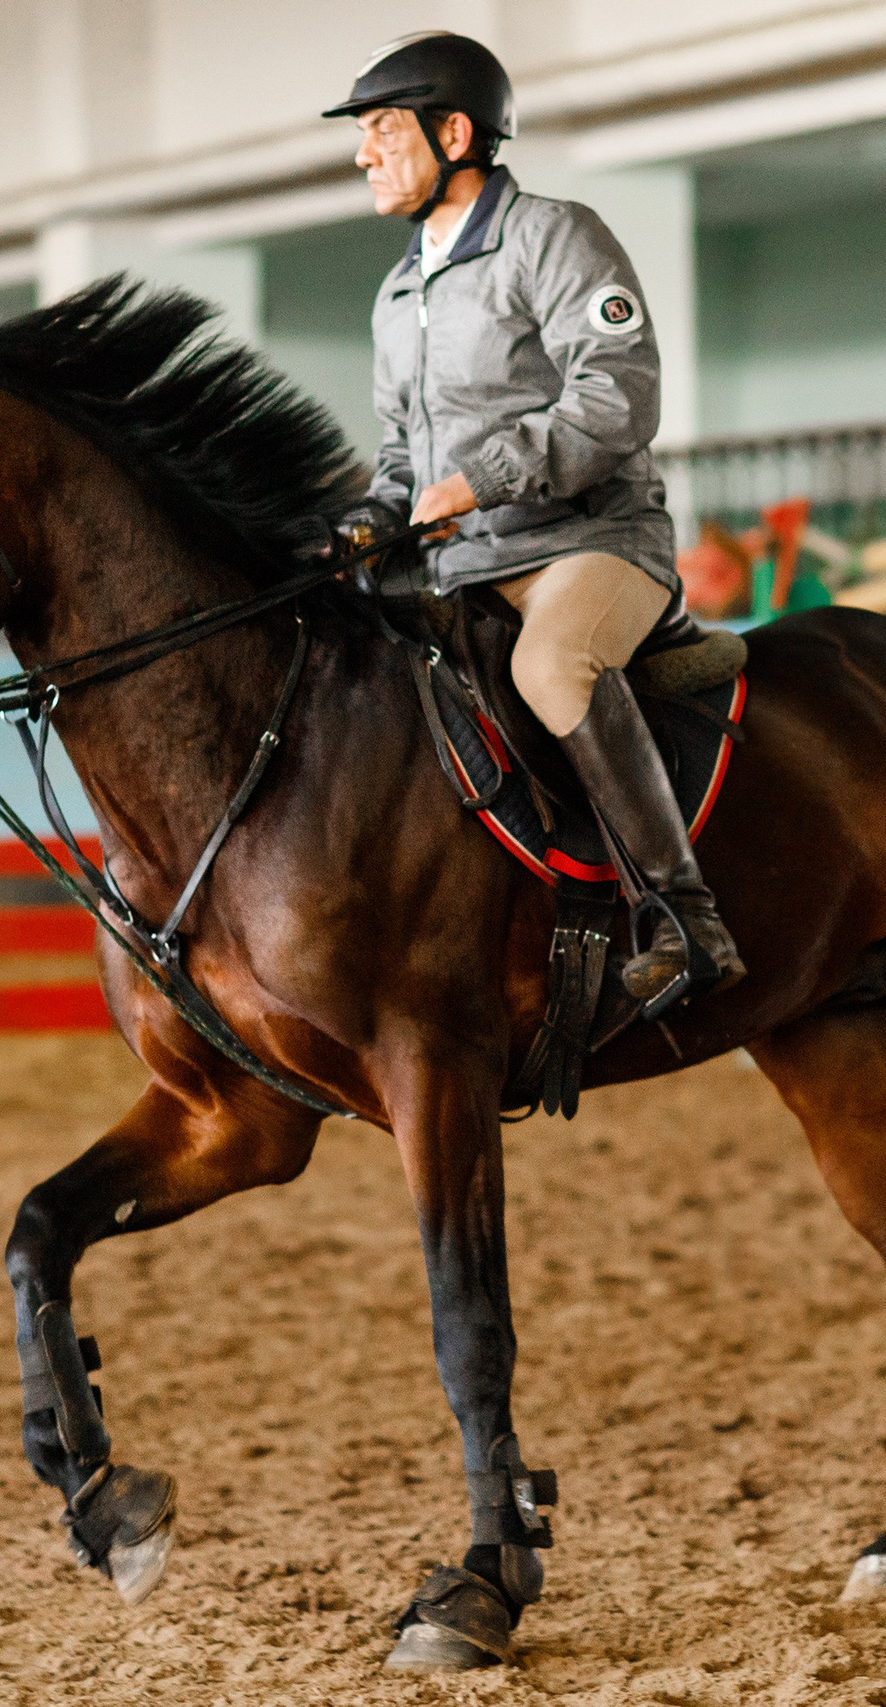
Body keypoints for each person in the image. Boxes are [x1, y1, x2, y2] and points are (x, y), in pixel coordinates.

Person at [324, 31, 742, 1007]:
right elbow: (401, 455)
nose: (362, 153)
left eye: (383, 130)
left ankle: (683, 916)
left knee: (548, 665)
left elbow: (617, 398)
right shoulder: (397, 292)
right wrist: (370, 515)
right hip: (458, 561)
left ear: (455, 131)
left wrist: (482, 477)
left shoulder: (557, 237)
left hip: (589, 544)